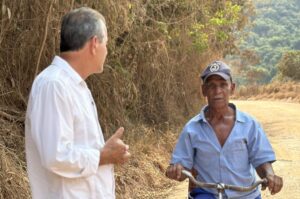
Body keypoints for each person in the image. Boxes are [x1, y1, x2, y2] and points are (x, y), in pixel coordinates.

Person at [25, 7, 131, 199]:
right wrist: (103, 156)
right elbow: (55, 155)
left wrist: (103, 153)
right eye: (106, 43)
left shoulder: (75, 86)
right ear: (94, 43)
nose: (107, 51)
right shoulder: (54, 85)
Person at [166, 61, 283, 199]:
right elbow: (182, 167)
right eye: (211, 86)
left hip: (246, 195)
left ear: (232, 88)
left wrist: (270, 175)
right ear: (204, 90)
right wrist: (177, 171)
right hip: (207, 194)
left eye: (223, 85)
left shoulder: (250, 124)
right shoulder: (192, 129)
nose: (217, 91)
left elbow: (262, 160)